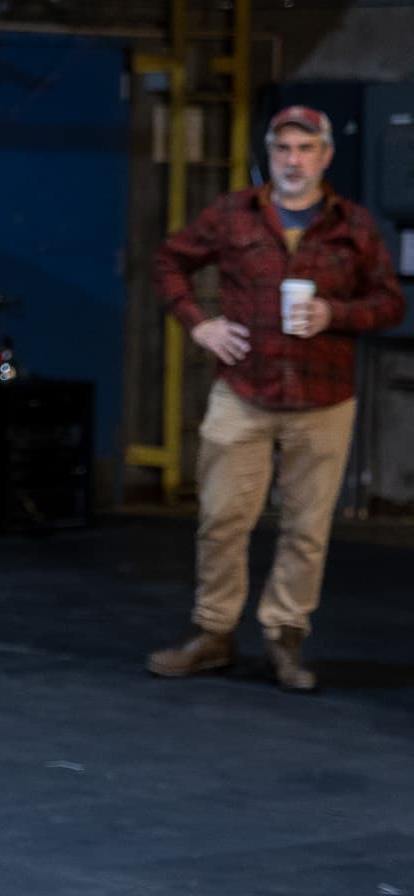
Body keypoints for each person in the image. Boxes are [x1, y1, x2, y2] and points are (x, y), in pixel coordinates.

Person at [147, 104, 404, 692]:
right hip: (244, 391)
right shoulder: (232, 214)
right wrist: (199, 324)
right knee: (221, 519)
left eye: (306, 149)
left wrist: (334, 313)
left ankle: (285, 637)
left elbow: (391, 303)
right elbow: (170, 262)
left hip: (323, 398)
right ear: (269, 155)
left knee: (306, 529)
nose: (294, 160)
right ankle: (213, 633)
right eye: (283, 148)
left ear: (326, 156)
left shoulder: (354, 225)